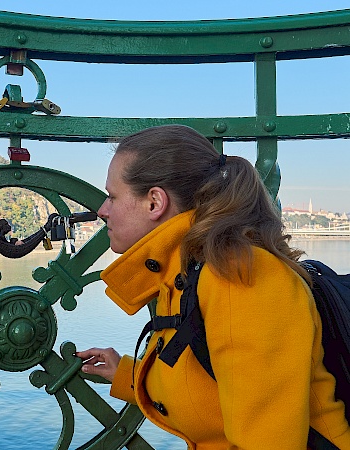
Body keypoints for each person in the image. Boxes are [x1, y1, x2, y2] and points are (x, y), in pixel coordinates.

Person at [76, 125, 350, 449]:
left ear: (154, 202)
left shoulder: (240, 280)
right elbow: (205, 388)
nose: (102, 210)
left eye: (113, 196)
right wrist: (125, 373)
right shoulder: (185, 273)